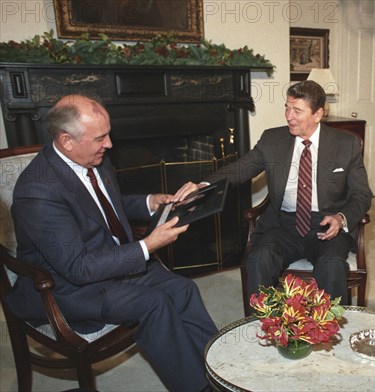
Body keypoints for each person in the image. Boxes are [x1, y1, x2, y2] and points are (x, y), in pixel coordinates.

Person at [6, 95, 217, 391]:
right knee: (153, 304)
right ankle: (197, 387)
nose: (110, 144)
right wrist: (148, 246)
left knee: (184, 289)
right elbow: (78, 268)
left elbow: (104, 206)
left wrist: (149, 203)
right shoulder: (38, 191)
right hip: (68, 287)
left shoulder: (93, 160)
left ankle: (218, 370)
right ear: (67, 141)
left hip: (110, 261)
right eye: (100, 137)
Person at [175, 80, 372, 305]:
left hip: (327, 227)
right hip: (285, 224)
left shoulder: (346, 144)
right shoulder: (273, 139)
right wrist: (202, 187)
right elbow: (240, 169)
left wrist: (341, 218)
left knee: (332, 265)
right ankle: (262, 328)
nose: (289, 116)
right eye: (287, 107)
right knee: (259, 258)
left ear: (318, 114)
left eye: (297, 110)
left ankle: (336, 332)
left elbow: (362, 194)